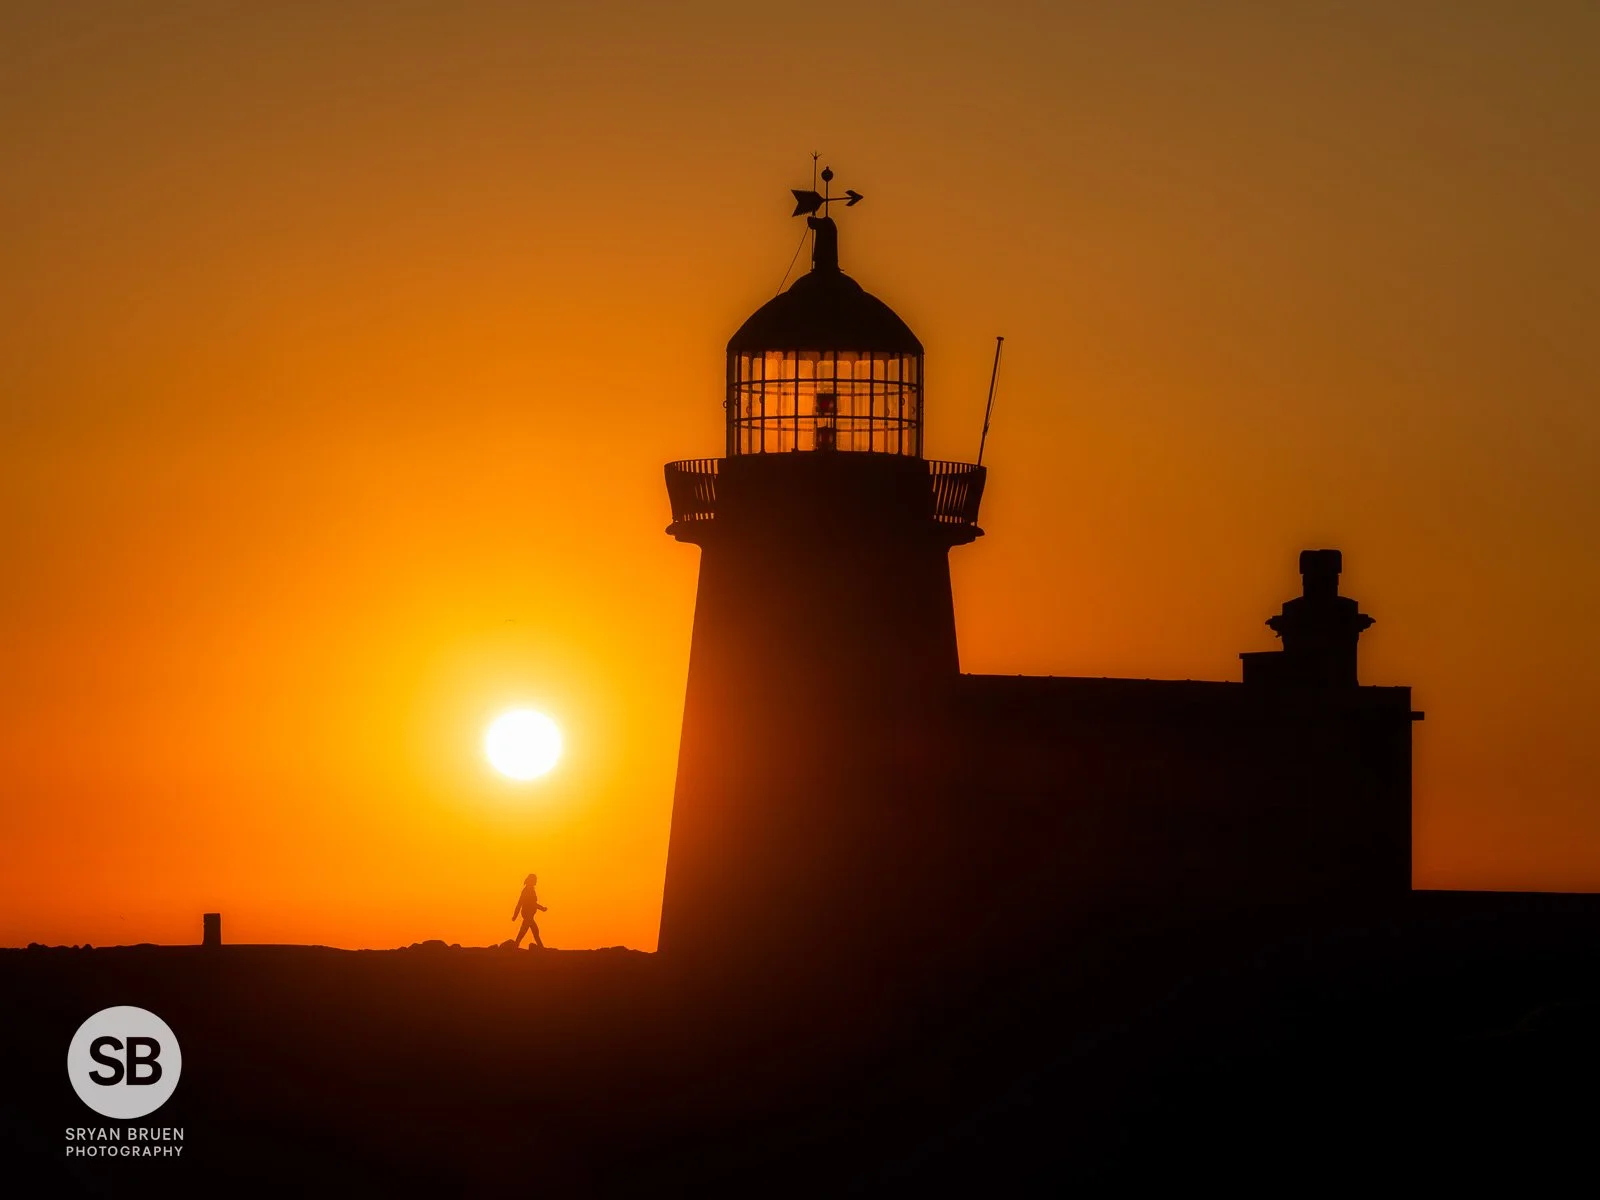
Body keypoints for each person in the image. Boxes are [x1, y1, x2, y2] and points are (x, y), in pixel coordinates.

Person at [512, 873, 547, 948]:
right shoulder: (527, 890)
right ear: (532, 880)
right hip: (527, 914)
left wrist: (542, 908)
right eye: (535, 880)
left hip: (529, 915)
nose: (536, 881)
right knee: (530, 931)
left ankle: (516, 945)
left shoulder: (531, 889)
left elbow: (533, 903)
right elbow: (521, 903)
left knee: (528, 930)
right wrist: (515, 915)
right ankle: (541, 948)